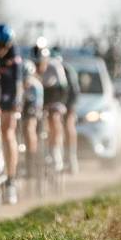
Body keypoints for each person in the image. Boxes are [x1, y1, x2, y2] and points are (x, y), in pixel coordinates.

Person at [0, 25, 25, 204]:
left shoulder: (14, 55)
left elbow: (17, 84)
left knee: (8, 132)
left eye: (4, 45)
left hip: (9, 92)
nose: (0, 49)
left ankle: (10, 181)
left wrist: (16, 103)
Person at [35, 40, 74, 173]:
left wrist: (60, 106)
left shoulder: (55, 66)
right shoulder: (31, 68)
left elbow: (63, 89)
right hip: (39, 97)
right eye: (36, 63)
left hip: (56, 95)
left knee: (54, 118)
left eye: (41, 63)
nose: (39, 66)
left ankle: (55, 151)